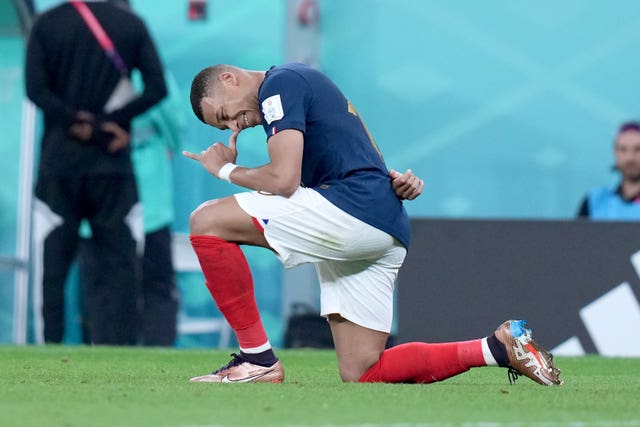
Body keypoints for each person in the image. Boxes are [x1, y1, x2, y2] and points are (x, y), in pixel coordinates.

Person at [183, 63, 563, 385]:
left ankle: (258, 360)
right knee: (363, 370)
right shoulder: (300, 82)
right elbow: (349, 153)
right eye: (226, 126)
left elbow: (283, 181)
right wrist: (394, 181)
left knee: (206, 220)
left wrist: (226, 169)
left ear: (230, 79)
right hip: (384, 222)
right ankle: (497, 347)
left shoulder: (277, 86)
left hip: (352, 210)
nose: (236, 124)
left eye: (225, 114)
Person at [25, 0, 167, 345]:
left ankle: (50, 346)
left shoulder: (47, 23)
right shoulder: (130, 24)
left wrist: (76, 122)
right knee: (120, 264)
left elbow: (36, 90)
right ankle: (121, 348)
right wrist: (108, 124)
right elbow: (156, 88)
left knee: (54, 267)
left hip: (60, 164)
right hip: (112, 164)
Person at [78, 70, 183, 346]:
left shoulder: (86, 68)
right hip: (137, 195)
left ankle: (104, 355)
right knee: (152, 285)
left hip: (103, 191)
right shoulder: (145, 70)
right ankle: (156, 359)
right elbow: (174, 123)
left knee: (103, 286)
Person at [577, 122, 640, 219]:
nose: (630, 157)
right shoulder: (594, 201)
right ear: (615, 153)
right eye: (623, 149)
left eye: (637, 149)